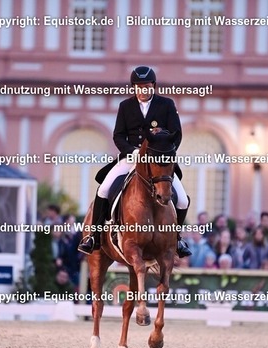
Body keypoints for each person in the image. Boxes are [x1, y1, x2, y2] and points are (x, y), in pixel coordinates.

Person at [78, 65, 191, 257]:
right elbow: (118, 136)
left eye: (146, 87)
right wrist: (133, 152)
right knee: (103, 189)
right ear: (133, 87)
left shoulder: (166, 105)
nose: (143, 90)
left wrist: (163, 153)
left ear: (153, 86)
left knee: (181, 199)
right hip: (131, 158)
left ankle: (177, 239)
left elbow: (176, 135)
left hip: (158, 162)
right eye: (139, 87)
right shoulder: (125, 106)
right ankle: (94, 236)